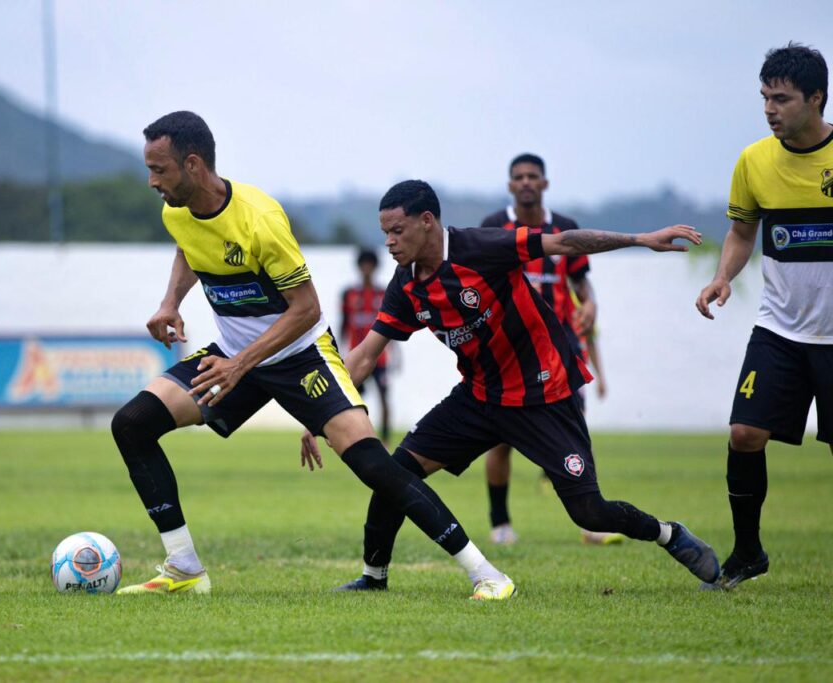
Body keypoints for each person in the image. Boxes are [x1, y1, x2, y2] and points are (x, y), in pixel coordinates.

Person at [111, 111, 510, 600]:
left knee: (374, 466)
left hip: (300, 354)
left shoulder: (260, 218)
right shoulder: (177, 210)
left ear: (192, 165)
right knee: (132, 423)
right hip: (235, 359)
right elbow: (189, 247)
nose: (152, 181)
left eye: (159, 169)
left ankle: (486, 573)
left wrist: (240, 364)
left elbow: (307, 309)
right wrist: (171, 301)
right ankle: (184, 568)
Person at [303, 180, 720, 596]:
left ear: (427, 221)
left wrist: (640, 238)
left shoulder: (480, 248)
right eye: (385, 234)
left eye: (397, 231)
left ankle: (668, 533)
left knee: (589, 512)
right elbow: (363, 354)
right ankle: (373, 578)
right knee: (395, 475)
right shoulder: (406, 284)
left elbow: (564, 242)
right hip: (480, 397)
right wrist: (324, 410)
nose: (390, 243)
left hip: (544, 394)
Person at [695, 43, 833, 591]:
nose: (770, 109)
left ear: (816, 99)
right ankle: (748, 551)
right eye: (764, 98)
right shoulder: (753, 160)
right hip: (779, 329)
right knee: (745, 432)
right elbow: (742, 231)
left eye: (782, 99)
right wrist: (724, 275)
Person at [479, 154, 618, 545]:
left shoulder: (566, 229)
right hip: (508, 347)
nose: (525, 182)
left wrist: (589, 304)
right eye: (519, 177)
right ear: (509, 185)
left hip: (561, 347)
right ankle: (499, 522)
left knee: (574, 431)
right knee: (501, 436)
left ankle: (592, 521)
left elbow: (581, 283)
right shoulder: (494, 227)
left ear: (545, 183)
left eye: (532, 177)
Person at [341, 249, 392, 444]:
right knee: (350, 400)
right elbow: (344, 324)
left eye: (370, 265)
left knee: (384, 399)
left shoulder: (384, 293)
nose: (367, 269)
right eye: (364, 265)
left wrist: (396, 355)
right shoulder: (349, 294)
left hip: (380, 358)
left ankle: (385, 441)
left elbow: (393, 325)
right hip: (356, 356)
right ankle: (356, 438)